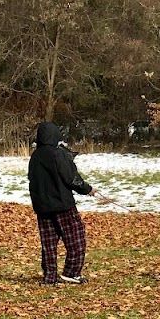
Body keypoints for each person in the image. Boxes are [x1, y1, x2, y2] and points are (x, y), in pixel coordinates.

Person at [28, 121, 96, 285]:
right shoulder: (58, 155)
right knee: (76, 238)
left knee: (49, 244)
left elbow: (32, 181)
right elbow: (71, 178)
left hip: (42, 207)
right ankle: (71, 273)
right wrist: (87, 189)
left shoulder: (35, 157)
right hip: (62, 205)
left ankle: (50, 276)